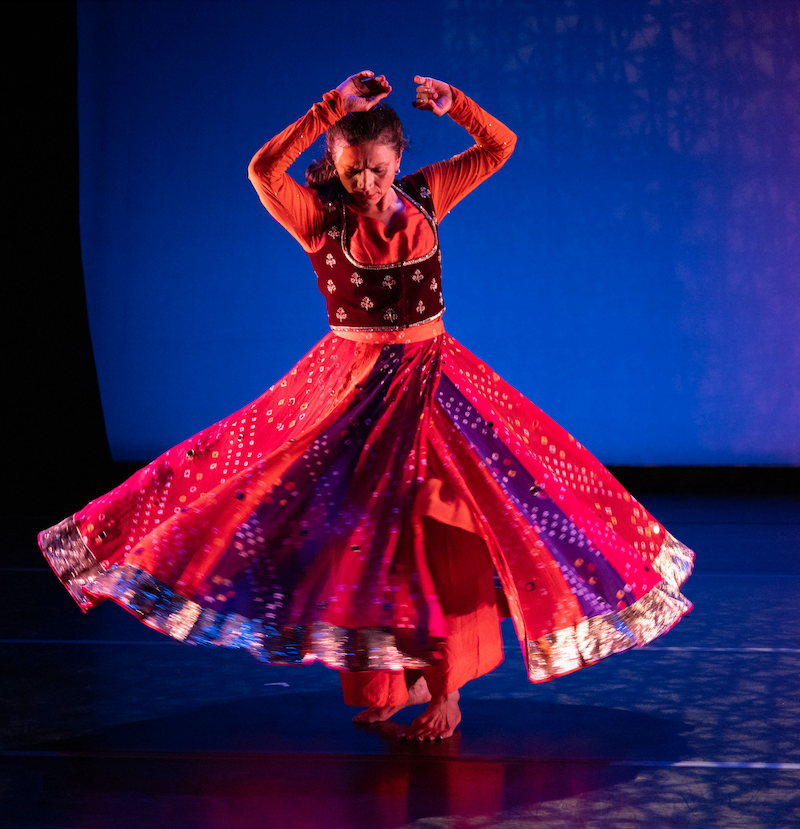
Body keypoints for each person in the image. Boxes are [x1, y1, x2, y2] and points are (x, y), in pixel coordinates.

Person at [39, 71, 694, 741]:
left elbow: (499, 148)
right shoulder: (321, 214)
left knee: (444, 529)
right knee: (364, 541)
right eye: (353, 171)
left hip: (434, 384)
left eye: (377, 169)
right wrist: (330, 107)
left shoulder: (426, 194)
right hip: (354, 392)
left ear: (398, 160)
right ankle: (397, 680)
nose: (366, 183)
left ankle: (445, 689)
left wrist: (456, 106)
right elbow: (264, 170)